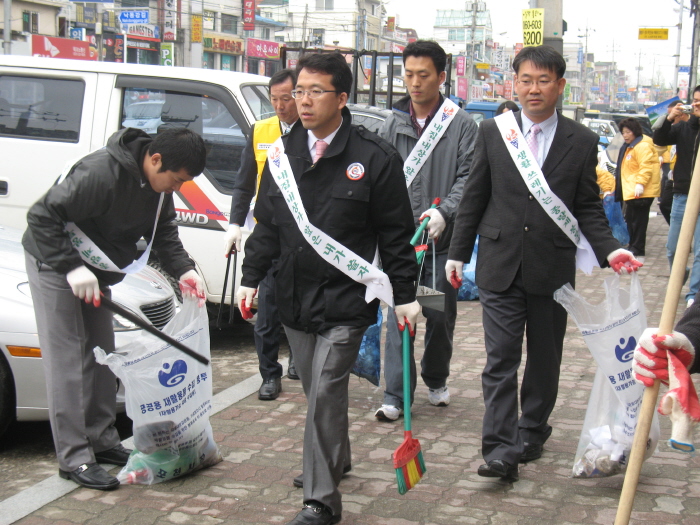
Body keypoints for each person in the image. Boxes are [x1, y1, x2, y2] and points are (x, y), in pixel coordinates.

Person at [237, 53, 420, 525]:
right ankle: (336, 457)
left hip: (346, 301)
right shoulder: (282, 153)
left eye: (315, 91)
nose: (303, 101)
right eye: (299, 91)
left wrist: (405, 296)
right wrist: (250, 279)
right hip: (295, 298)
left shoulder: (374, 158)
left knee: (324, 392)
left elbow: (395, 235)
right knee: (317, 389)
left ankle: (320, 500)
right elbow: (267, 225)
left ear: (342, 98)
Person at [445, 45, 642, 482]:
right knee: (500, 358)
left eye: (543, 81)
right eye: (526, 80)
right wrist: (457, 253)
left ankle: (531, 429)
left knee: (545, 358)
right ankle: (498, 448)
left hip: (551, 267)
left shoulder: (582, 140)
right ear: (514, 84)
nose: (534, 89)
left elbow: (588, 207)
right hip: (500, 264)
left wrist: (611, 249)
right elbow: (475, 196)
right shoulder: (494, 133)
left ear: (560, 86)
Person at [22, 127, 207, 490]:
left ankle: (103, 440)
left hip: (96, 272)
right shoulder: (100, 173)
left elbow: (163, 229)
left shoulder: (159, 186)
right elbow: (41, 216)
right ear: (155, 159)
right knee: (69, 360)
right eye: (177, 179)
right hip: (55, 263)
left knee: (103, 352)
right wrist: (71, 267)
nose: (178, 188)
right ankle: (74, 457)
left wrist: (185, 269)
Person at [375, 40, 478, 421]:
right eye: (409, 75)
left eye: (423, 75)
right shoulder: (391, 123)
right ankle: (396, 394)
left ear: (441, 76)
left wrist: (445, 212)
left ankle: (436, 377)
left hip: (438, 244)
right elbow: (379, 177)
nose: (414, 83)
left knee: (436, 314)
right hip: (401, 245)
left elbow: (468, 176)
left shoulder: (461, 125)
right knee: (398, 315)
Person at [223, 69, 300, 401]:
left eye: (287, 99)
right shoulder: (260, 131)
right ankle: (270, 374)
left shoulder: (313, 133)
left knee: (301, 305)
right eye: (275, 100)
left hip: (303, 240)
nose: (281, 106)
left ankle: (299, 359)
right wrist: (234, 225)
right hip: (267, 235)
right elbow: (244, 184)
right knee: (266, 310)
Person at [653, 90, 700, 308]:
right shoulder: (683, 127)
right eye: (695, 100)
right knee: (673, 248)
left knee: (699, 250)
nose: (697, 104)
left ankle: (694, 293)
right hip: (682, 194)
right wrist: (670, 117)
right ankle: (682, 275)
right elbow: (660, 139)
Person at [614, 117, 661, 258]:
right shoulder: (631, 146)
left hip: (642, 192)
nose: (625, 135)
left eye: (628, 132)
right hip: (631, 190)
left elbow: (645, 167)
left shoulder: (642, 146)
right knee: (631, 218)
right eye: (623, 133)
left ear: (634, 131)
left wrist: (640, 184)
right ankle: (633, 245)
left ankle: (638, 248)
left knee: (639, 221)